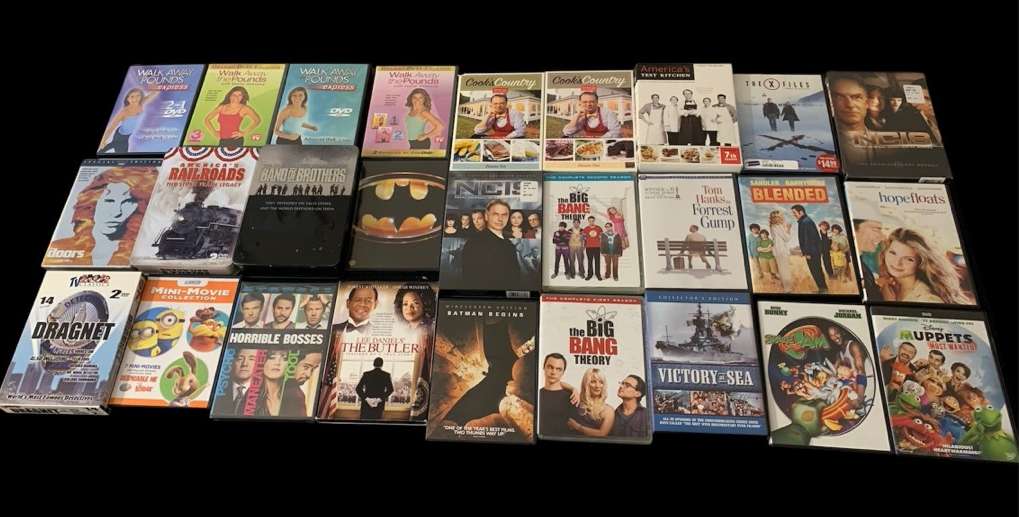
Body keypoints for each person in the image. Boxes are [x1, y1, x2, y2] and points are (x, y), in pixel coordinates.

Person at [47, 167, 155, 267]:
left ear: (140, 207)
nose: (116, 212)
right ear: (91, 204)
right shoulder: (59, 249)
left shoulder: (144, 254)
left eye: (128, 202)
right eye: (109, 201)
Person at [876, 228, 971, 304]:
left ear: (921, 263)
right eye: (893, 253)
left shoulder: (928, 300)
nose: (897, 263)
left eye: (909, 259)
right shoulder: (882, 283)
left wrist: (889, 303)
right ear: (885, 252)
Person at [461, 200, 522, 288]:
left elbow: (515, 276)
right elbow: (470, 278)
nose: (500, 219)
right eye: (495, 214)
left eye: (504, 215)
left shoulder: (508, 243)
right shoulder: (474, 242)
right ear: (486, 216)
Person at [99, 88, 159, 153]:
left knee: (114, 144)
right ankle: (102, 150)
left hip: (127, 135)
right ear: (128, 99)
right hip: (121, 136)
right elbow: (111, 128)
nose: (135, 99)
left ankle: (103, 150)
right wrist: (103, 140)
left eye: (138, 96)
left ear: (141, 97)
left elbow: (153, 94)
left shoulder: (141, 104)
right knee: (121, 151)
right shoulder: (124, 112)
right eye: (132, 96)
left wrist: (157, 86)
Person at [539, 353, 578, 437]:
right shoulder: (537, 395)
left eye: (558, 369)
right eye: (550, 367)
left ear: (563, 372)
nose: (553, 372)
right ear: (544, 368)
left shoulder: (572, 397)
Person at [567, 368, 614, 437]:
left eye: (601, 382)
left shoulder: (608, 410)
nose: (597, 386)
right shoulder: (576, 401)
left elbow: (602, 434)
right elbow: (559, 383)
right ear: (586, 384)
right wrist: (573, 389)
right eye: (593, 382)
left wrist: (578, 427)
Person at [791, 205, 828, 293]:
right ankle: (822, 289)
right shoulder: (804, 221)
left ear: (801, 212)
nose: (793, 215)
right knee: (816, 271)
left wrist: (807, 253)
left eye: (794, 213)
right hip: (813, 251)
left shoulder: (806, 222)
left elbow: (809, 239)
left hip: (812, 252)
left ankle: (823, 290)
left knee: (816, 271)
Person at [214, 348, 256, 415]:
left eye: (251, 359)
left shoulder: (264, 394)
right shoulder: (218, 389)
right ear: (232, 361)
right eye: (240, 359)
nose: (245, 364)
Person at [610, 375, 649, 439]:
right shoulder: (612, 415)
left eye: (627, 385)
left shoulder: (647, 415)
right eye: (622, 383)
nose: (621, 386)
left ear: (637, 394)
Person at [769, 211, 793, 292]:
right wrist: (788, 229)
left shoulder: (772, 226)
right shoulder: (778, 226)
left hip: (777, 250)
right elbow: (787, 238)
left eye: (779, 216)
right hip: (781, 250)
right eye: (777, 217)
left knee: (781, 269)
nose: (779, 218)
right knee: (784, 270)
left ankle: (785, 287)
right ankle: (787, 289)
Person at [582, 216, 603, 281]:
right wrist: (583, 246)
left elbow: (601, 237)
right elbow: (584, 239)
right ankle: (589, 274)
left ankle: (598, 274)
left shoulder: (599, 228)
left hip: (597, 247)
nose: (591, 222)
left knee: (597, 261)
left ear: (594, 221)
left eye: (592, 221)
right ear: (588, 221)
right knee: (590, 261)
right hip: (589, 247)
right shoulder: (585, 229)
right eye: (590, 221)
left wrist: (602, 246)